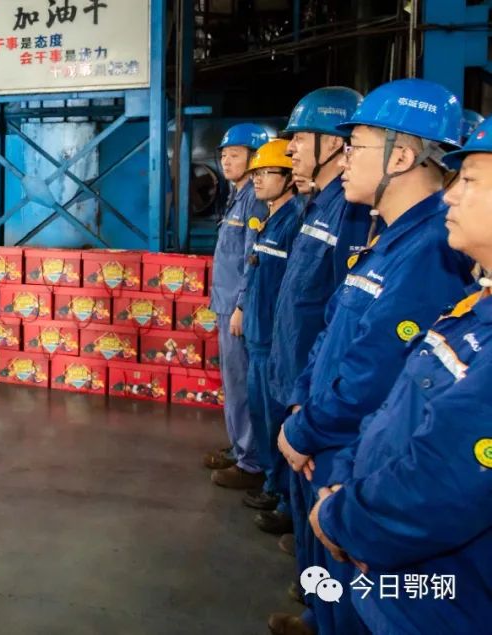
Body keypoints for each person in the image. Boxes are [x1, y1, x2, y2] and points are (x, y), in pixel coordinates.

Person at [274, 78, 474, 635]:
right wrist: (300, 408)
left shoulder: (432, 249)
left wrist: (308, 428)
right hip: (324, 436)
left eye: (355, 147)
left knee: (355, 598)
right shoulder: (390, 237)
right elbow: (331, 327)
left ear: (402, 157)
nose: (344, 162)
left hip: (351, 450)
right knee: (329, 586)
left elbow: (379, 368)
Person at [258, 89, 371, 618]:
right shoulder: (318, 205)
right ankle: (311, 598)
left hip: (319, 396)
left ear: (333, 144)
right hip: (299, 379)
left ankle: (318, 611)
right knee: (307, 510)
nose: (292, 150)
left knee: (323, 511)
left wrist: (310, 401)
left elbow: (340, 319)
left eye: (301, 138)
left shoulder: (350, 215)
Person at [238, 139, 303, 538]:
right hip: (258, 336)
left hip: (276, 342)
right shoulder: (269, 218)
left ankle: (285, 501)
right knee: (262, 416)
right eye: (256, 174)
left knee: (278, 419)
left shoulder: (295, 220)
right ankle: (271, 483)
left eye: (267, 173)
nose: (258, 180)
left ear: (289, 178)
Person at [205, 123, 269, 491]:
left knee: (243, 383)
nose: (226, 161)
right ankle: (239, 445)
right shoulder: (237, 196)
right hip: (226, 303)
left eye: (235, 155)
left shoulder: (256, 200)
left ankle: (251, 461)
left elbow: (252, 259)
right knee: (233, 382)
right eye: (224, 155)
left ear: (255, 158)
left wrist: (242, 306)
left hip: (237, 309)